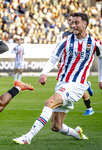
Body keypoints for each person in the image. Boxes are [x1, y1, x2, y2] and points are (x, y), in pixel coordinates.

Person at [13, 12, 102, 144]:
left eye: (76, 23)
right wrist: (44, 73)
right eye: (72, 23)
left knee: (49, 102)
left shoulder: (94, 43)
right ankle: (77, 134)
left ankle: (27, 137)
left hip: (77, 85)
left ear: (85, 24)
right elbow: (54, 58)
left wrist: (101, 79)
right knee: (56, 126)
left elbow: (101, 58)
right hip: (62, 83)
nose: (73, 25)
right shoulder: (66, 41)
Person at [57, 13, 94, 115]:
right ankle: (87, 88)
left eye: (72, 20)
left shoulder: (81, 34)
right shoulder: (65, 35)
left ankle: (89, 107)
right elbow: (63, 49)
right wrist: (60, 61)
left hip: (79, 63)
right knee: (77, 87)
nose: (70, 22)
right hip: (68, 64)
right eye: (69, 20)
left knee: (77, 85)